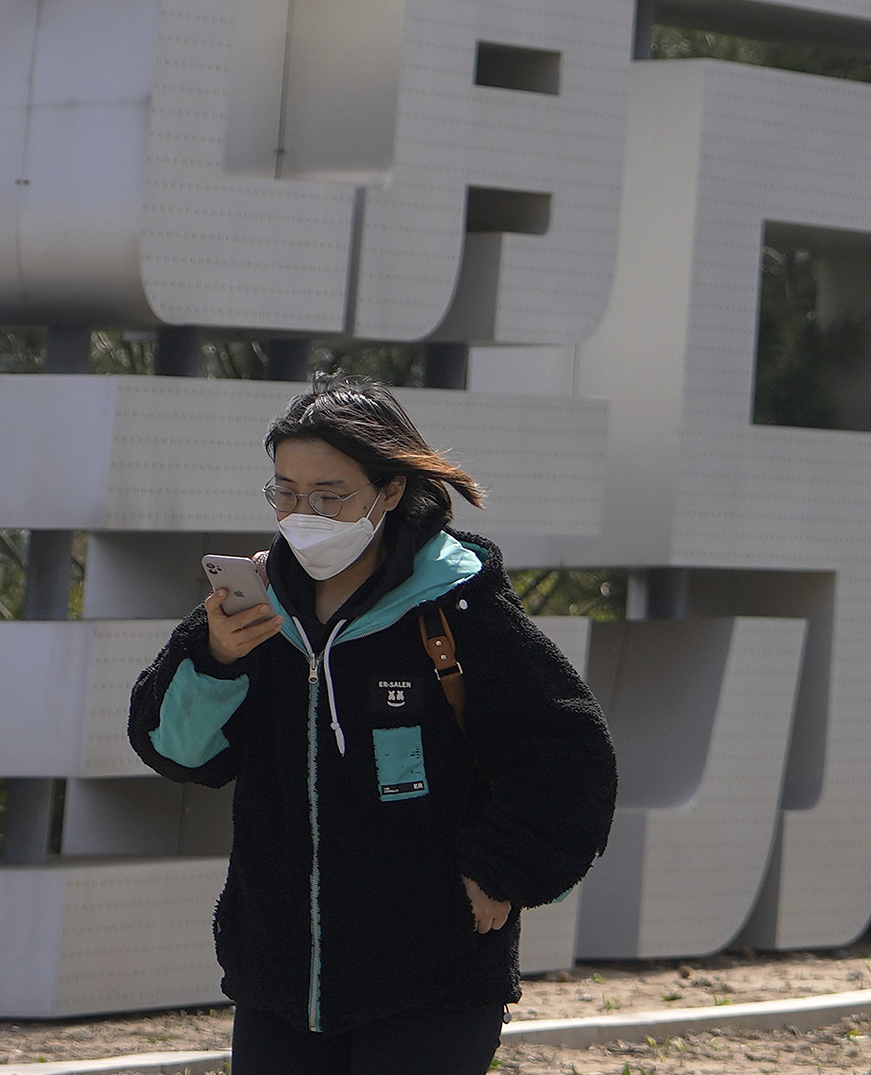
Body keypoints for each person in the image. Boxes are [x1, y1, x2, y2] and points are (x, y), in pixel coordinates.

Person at [128, 379, 615, 1075]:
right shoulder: (258, 605)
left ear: (388, 491)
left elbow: (570, 754)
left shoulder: (457, 605)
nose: (305, 514)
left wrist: (499, 873)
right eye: (286, 492)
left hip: (433, 978)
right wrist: (214, 660)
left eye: (331, 494)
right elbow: (175, 751)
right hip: (278, 980)